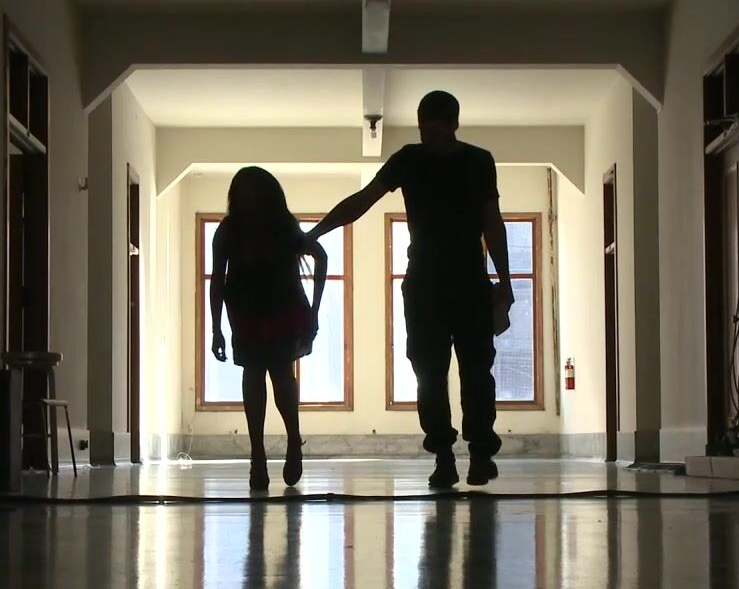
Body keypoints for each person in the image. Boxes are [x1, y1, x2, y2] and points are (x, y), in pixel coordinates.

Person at [306, 91, 514, 488]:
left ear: (453, 125)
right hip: (425, 286)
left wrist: (504, 282)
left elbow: (492, 221)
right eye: (423, 131)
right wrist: (315, 233)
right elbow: (363, 200)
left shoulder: (478, 161)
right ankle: (444, 456)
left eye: (435, 131)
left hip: (469, 283)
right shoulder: (410, 159)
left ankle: (480, 454)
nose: (428, 139)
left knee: (476, 372)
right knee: (428, 372)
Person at [210, 166, 327, 491]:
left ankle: (285, 445)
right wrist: (215, 327)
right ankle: (262, 453)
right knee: (263, 374)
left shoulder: (276, 227)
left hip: (274, 309)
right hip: (253, 310)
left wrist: (315, 309)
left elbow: (319, 256)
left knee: (274, 375)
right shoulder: (237, 229)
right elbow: (216, 280)